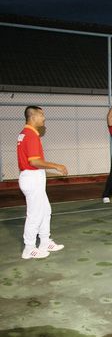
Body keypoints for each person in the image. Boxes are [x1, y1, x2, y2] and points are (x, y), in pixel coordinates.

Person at [17, 106, 68, 259]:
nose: (44, 118)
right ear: (33, 117)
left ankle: (45, 242)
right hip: (32, 177)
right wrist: (56, 166)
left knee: (45, 210)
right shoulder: (31, 135)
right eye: (41, 115)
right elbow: (34, 161)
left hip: (33, 177)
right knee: (35, 215)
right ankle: (29, 248)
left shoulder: (26, 133)